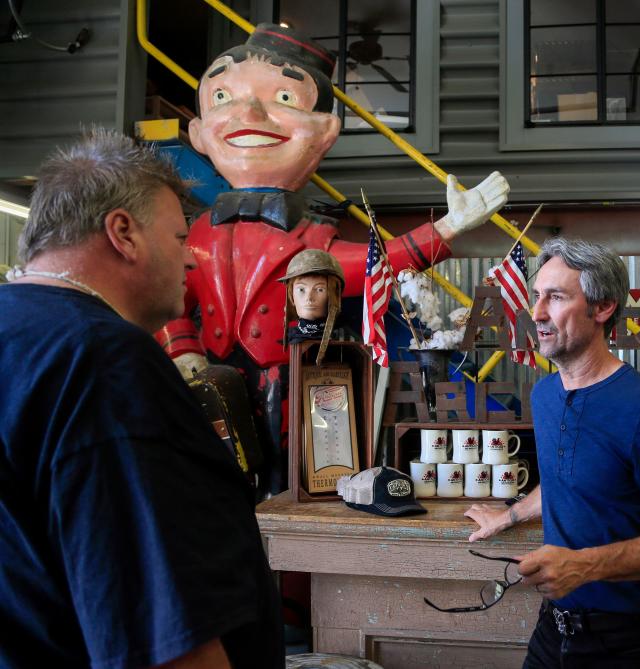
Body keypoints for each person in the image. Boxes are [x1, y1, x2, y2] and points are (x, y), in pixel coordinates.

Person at [156, 23, 510, 495]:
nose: (249, 112)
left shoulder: (313, 238)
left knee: (293, 480)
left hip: (292, 384)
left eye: (284, 99)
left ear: (324, 132)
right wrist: (180, 347)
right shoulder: (191, 235)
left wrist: (447, 228)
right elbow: (167, 296)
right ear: (198, 133)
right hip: (210, 383)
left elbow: (375, 268)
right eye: (223, 97)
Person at [0, 128, 282, 668]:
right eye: (180, 239)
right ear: (123, 233)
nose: (194, 262)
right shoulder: (101, 361)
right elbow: (159, 631)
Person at [465, 237, 640, 668]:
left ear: (602, 308)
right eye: (536, 297)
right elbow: (567, 476)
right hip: (553, 629)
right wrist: (509, 515)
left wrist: (585, 566)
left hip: (632, 641)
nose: (537, 313)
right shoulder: (544, 395)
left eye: (556, 298)